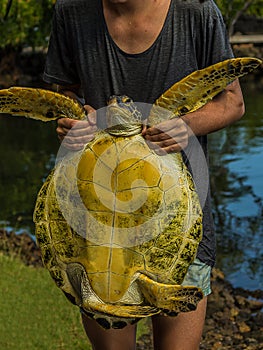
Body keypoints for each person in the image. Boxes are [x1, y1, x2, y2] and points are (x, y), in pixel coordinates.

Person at [43, 0, 245, 349]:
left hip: (178, 219)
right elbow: (63, 91)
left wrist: (186, 126)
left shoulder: (196, 12)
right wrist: (73, 118)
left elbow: (232, 101)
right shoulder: (72, 12)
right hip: (97, 224)